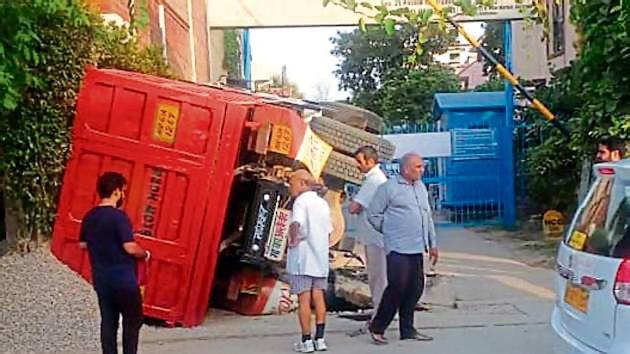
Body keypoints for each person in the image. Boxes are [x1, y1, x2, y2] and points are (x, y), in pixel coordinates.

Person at [366, 153, 438, 345]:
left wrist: (433, 243)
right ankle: (378, 326)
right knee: (397, 286)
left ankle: (407, 329)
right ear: (405, 169)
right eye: (418, 167)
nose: (421, 170)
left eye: (422, 167)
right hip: (398, 246)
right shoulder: (388, 188)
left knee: (415, 288)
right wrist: (388, 229)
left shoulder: (421, 187)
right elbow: (373, 214)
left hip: (417, 246)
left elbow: (427, 216)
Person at [79, 172, 150, 354]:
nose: (123, 195)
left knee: (109, 322)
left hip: (101, 279)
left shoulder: (89, 217)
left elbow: (82, 244)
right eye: (123, 191)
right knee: (133, 321)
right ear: (116, 191)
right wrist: (145, 254)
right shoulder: (119, 217)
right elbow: (130, 247)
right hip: (123, 280)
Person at [287, 169, 333, 353]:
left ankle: (306, 341)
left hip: (303, 259)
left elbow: (296, 224)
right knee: (319, 297)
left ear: (302, 183)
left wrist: (292, 240)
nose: (290, 187)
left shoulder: (300, 201)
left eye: (292, 183)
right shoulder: (323, 203)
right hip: (320, 259)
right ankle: (320, 339)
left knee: (304, 300)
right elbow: (329, 231)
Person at [349, 146, 388, 322]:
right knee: (378, 277)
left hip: (375, 238)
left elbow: (354, 207)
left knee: (377, 278)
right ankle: (380, 314)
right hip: (376, 237)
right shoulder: (376, 179)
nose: (357, 165)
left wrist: (351, 201)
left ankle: (380, 316)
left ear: (370, 162)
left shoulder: (373, 180)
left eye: (360, 161)